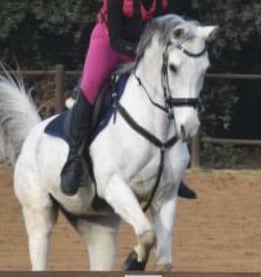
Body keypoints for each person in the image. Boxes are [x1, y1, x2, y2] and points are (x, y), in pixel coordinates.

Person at [61, 0, 198, 200]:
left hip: (144, 49)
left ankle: (174, 170)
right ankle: (74, 160)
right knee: (90, 87)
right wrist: (145, 53)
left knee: (168, 90)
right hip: (108, 45)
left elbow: (174, 31)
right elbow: (115, 39)